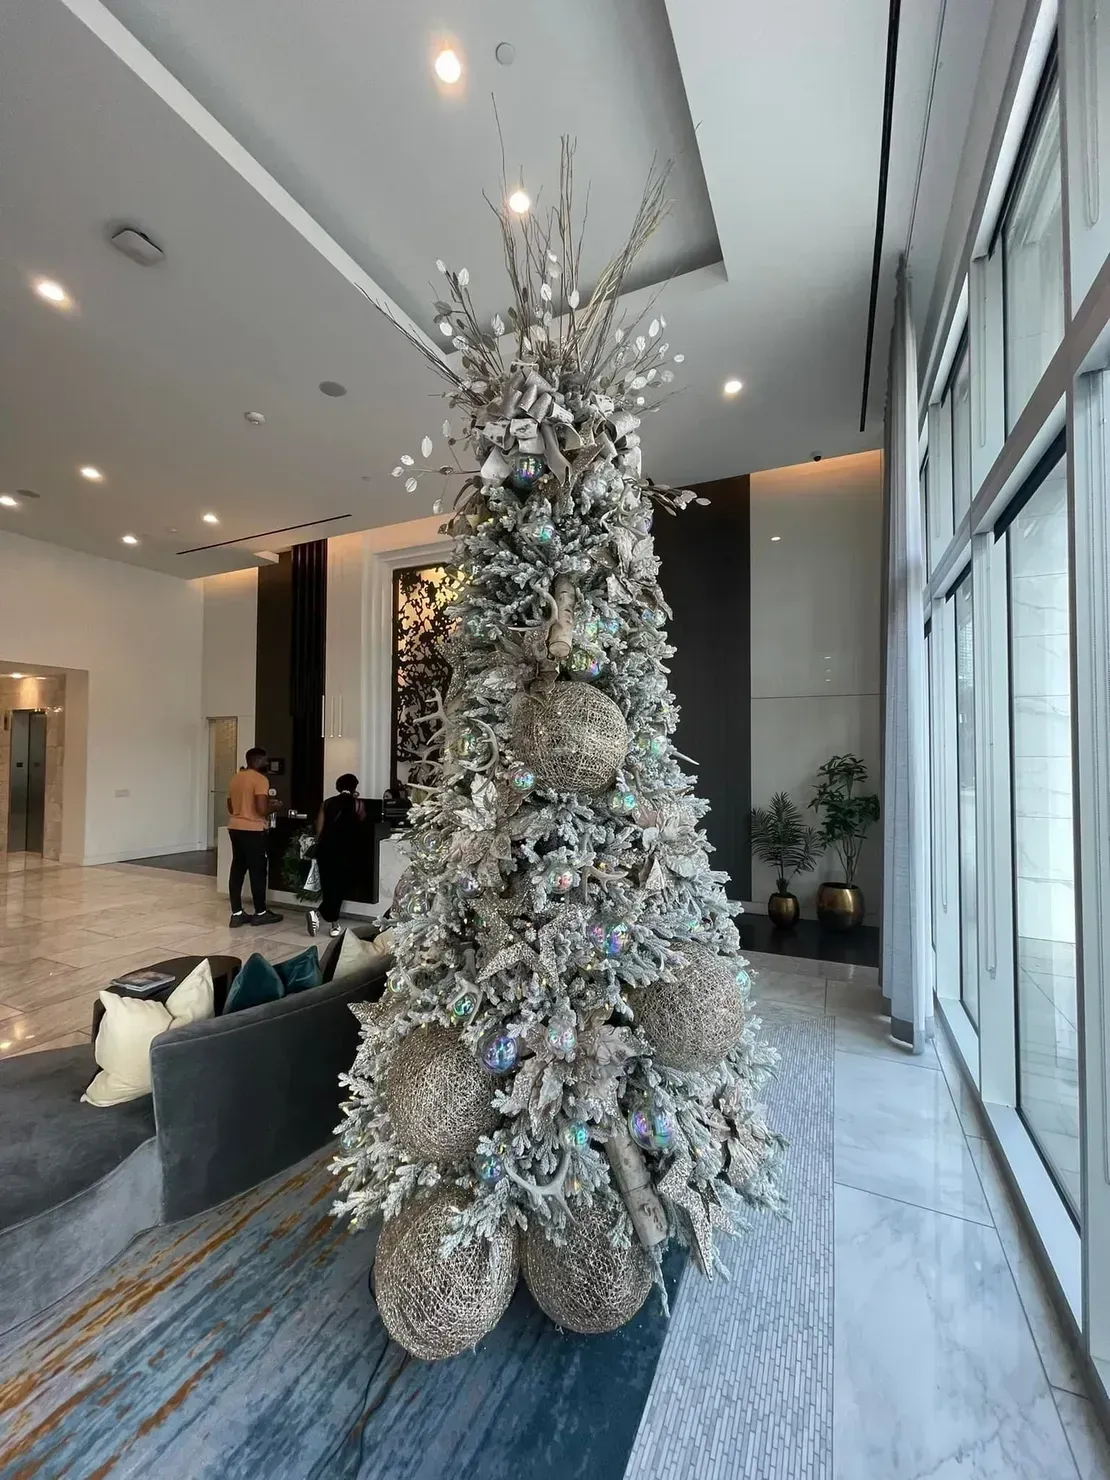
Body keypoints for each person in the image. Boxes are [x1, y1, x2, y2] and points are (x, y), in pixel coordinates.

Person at [226, 747, 283, 928]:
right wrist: (274, 807)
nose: (267, 764)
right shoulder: (260, 779)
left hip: (235, 828)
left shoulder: (236, 777)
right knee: (257, 871)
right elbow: (260, 809)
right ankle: (261, 913)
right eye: (265, 760)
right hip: (254, 831)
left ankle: (236, 914)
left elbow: (230, 805)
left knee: (237, 870)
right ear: (257, 760)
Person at [307, 774, 365, 937]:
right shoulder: (358, 804)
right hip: (346, 850)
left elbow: (319, 829)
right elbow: (362, 822)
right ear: (354, 787)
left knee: (329, 887)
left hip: (326, 850)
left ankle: (321, 917)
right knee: (339, 888)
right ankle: (331, 923)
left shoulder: (327, 803)